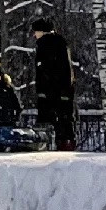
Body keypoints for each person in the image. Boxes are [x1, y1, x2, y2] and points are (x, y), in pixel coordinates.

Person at [30, 17, 77, 152]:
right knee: (61, 121)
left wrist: (62, 90)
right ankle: (61, 144)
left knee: (57, 120)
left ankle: (59, 145)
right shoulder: (54, 43)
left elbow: (63, 69)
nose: (35, 35)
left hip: (54, 90)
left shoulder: (51, 45)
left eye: (36, 31)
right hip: (54, 90)